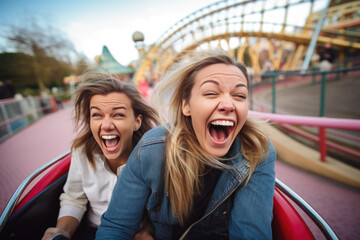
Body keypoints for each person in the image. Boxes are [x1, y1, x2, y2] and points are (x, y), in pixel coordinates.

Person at [96, 50, 276, 239]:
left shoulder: (256, 150)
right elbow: (116, 227)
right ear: (186, 106)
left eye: (239, 95)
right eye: (211, 93)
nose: (228, 105)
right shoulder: (152, 149)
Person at [42, 73, 159, 240]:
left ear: (137, 122)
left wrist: (148, 230)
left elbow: (161, 204)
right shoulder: (81, 151)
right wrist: (63, 231)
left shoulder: (153, 154)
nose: (106, 125)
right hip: (91, 229)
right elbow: (74, 198)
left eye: (118, 114)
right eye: (97, 115)